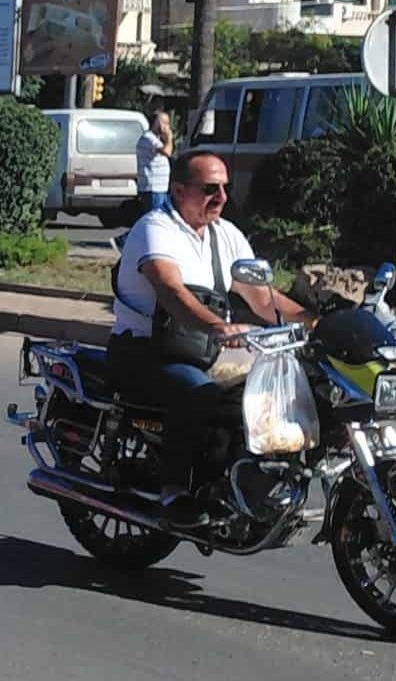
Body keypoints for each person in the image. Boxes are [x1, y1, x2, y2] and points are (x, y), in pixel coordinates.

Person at [107, 151, 306, 512]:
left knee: (263, 389)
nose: (222, 197)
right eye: (210, 188)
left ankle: (234, 480)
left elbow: (263, 298)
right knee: (198, 391)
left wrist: (314, 322)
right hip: (145, 351)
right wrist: (219, 327)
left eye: (225, 188)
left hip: (202, 349)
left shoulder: (225, 234)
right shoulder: (155, 229)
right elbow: (172, 292)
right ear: (179, 190)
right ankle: (175, 490)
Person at [134, 110, 174, 219]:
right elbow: (167, 152)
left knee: (161, 217)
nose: (167, 127)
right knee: (154, 218)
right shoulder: (149, 138)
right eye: (164, 123)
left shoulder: (157, 139)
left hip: (160, 187)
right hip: (153, 188)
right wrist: (169, 137)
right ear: (156, 123)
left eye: (168, 123)